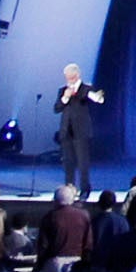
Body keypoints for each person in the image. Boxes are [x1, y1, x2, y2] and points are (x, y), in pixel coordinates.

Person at [52, 65, 109, 193]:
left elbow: (96, 98)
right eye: (66, 77)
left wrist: (97, 97)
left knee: (83, 163)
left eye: (70, 77)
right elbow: (56, 108)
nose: (68, 80)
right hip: (66, 131)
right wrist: (65, 97)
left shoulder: (86, 89)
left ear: (76, 75)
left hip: (81, 132)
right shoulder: (62, 90)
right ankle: (69, 189)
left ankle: (85, 190)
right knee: (68, 163)